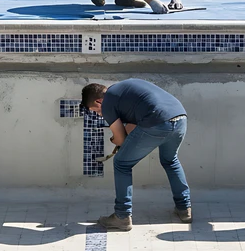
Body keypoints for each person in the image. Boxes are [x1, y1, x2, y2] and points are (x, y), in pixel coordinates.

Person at [81, 79, 192, 231]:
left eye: (95, 110)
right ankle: (184, 208)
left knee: (121, 164)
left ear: (99, 101)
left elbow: (120, 138)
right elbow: (133, 127)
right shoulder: (124, 92)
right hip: (179, 118)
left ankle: (122, 216)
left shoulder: (107, 104)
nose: (99, 114)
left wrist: (114, 140)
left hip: (157, 121)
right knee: (170, 160)